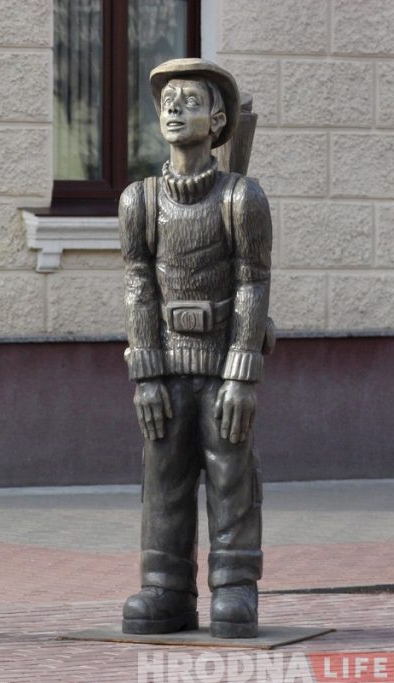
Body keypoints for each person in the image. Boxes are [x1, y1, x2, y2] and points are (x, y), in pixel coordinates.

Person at [118, 59, 272, 639]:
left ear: (219, 120)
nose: (174, 107)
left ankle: (235, 587)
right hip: (167, 363)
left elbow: (253, 283)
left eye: (189, 99)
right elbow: (138, 285)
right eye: (167, 100)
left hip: (222, 362)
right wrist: (146, 372)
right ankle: (164, 586)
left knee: (231, 472)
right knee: (164, 474)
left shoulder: (241, 198)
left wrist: (241, 373)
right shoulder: (140, 200)